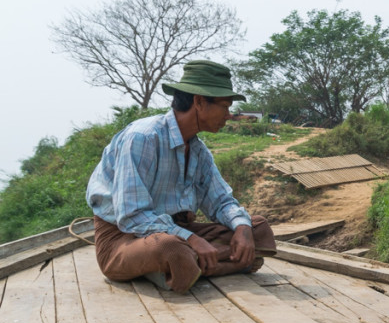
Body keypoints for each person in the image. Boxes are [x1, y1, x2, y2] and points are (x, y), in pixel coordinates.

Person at [86, 59, 276, 293]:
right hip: (125, 238)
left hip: (178, 230)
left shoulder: (198, 150)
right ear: (199, 102)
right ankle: (212, 261)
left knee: (258, 228)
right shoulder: (143, 138)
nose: (228, 115)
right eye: (224, 106)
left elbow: (221, 201)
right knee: (170, 248)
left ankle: (186, 268)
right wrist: (192, 240)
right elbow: (132, 216)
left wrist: (242, 229)